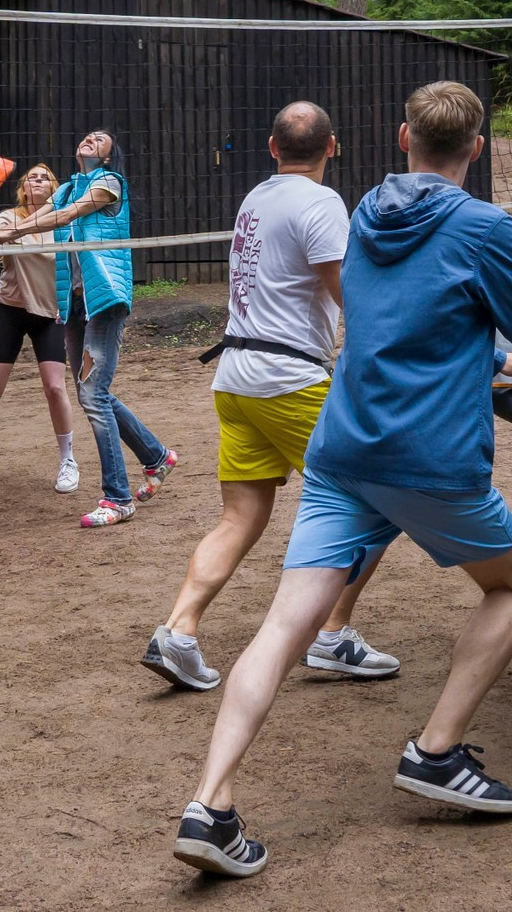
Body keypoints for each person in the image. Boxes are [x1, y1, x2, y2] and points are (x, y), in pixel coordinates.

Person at [170, 82, 512, 880]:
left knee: (285, 626)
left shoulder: (366, 211)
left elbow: (397, 317)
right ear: (477, 144)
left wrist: (491, 359)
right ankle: (435, 752)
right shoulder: (485, 225)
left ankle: (210, 803)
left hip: (343, 449)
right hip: (428, 458)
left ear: (404, 138)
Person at [143, 103, 400, 694]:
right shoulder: (321, 203)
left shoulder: (256, 197)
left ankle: (178, 632)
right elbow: (350, 294)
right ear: (332, 147)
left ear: (271, 146)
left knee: (240, 516)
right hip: (290, 381)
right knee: (375, 502)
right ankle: (331, 634)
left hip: (235, 378)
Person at [0, 130, 177, 529]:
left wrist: (9, 232)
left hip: (104, 298)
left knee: (93, 396)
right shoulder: (68, 186)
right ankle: (156, 457)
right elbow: (39, 216)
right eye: (88, 135)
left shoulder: (109, 182)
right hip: (74, 303)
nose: (91, 138)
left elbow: (66, 216)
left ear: (108, 156)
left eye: (100, 139)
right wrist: (6, 230)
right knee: (95, 393)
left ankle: (117, 497)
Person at [0, 165, 79, 492]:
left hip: (49, 313)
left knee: (55, 387)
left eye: (44, 177)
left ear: (55, 188)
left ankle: (67, 458)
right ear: (23, 189)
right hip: (10, 307)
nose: (37, 181)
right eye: (31, 177)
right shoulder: (9, 218)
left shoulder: (63, 222)